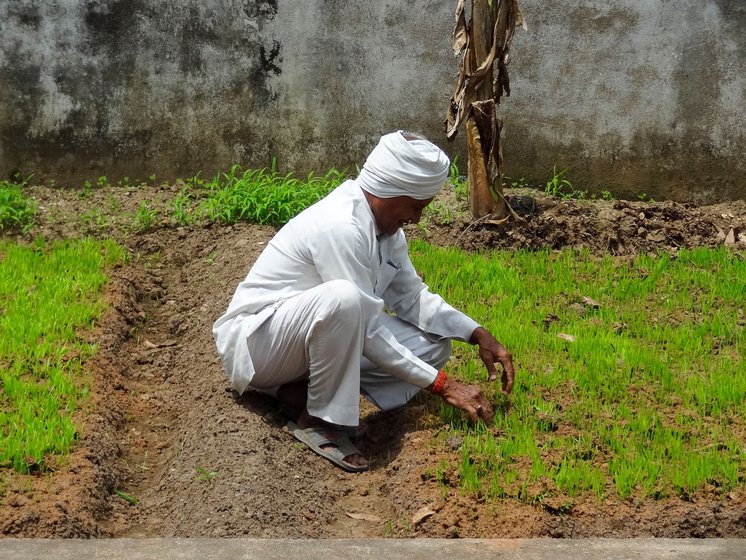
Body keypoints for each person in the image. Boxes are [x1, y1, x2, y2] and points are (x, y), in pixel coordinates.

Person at [213, 130, 515, 472]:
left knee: (433, 347)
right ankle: (320, 419)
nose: (416, 219)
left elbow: (411, 296)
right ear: (388, 190)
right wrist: (443, 385)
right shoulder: (340, 225)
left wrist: (476, 333)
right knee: (345, 299)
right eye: (415, 207)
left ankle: (292, 393)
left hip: (304, 343)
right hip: (262, 344)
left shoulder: (386, 232)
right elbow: (366, 327)